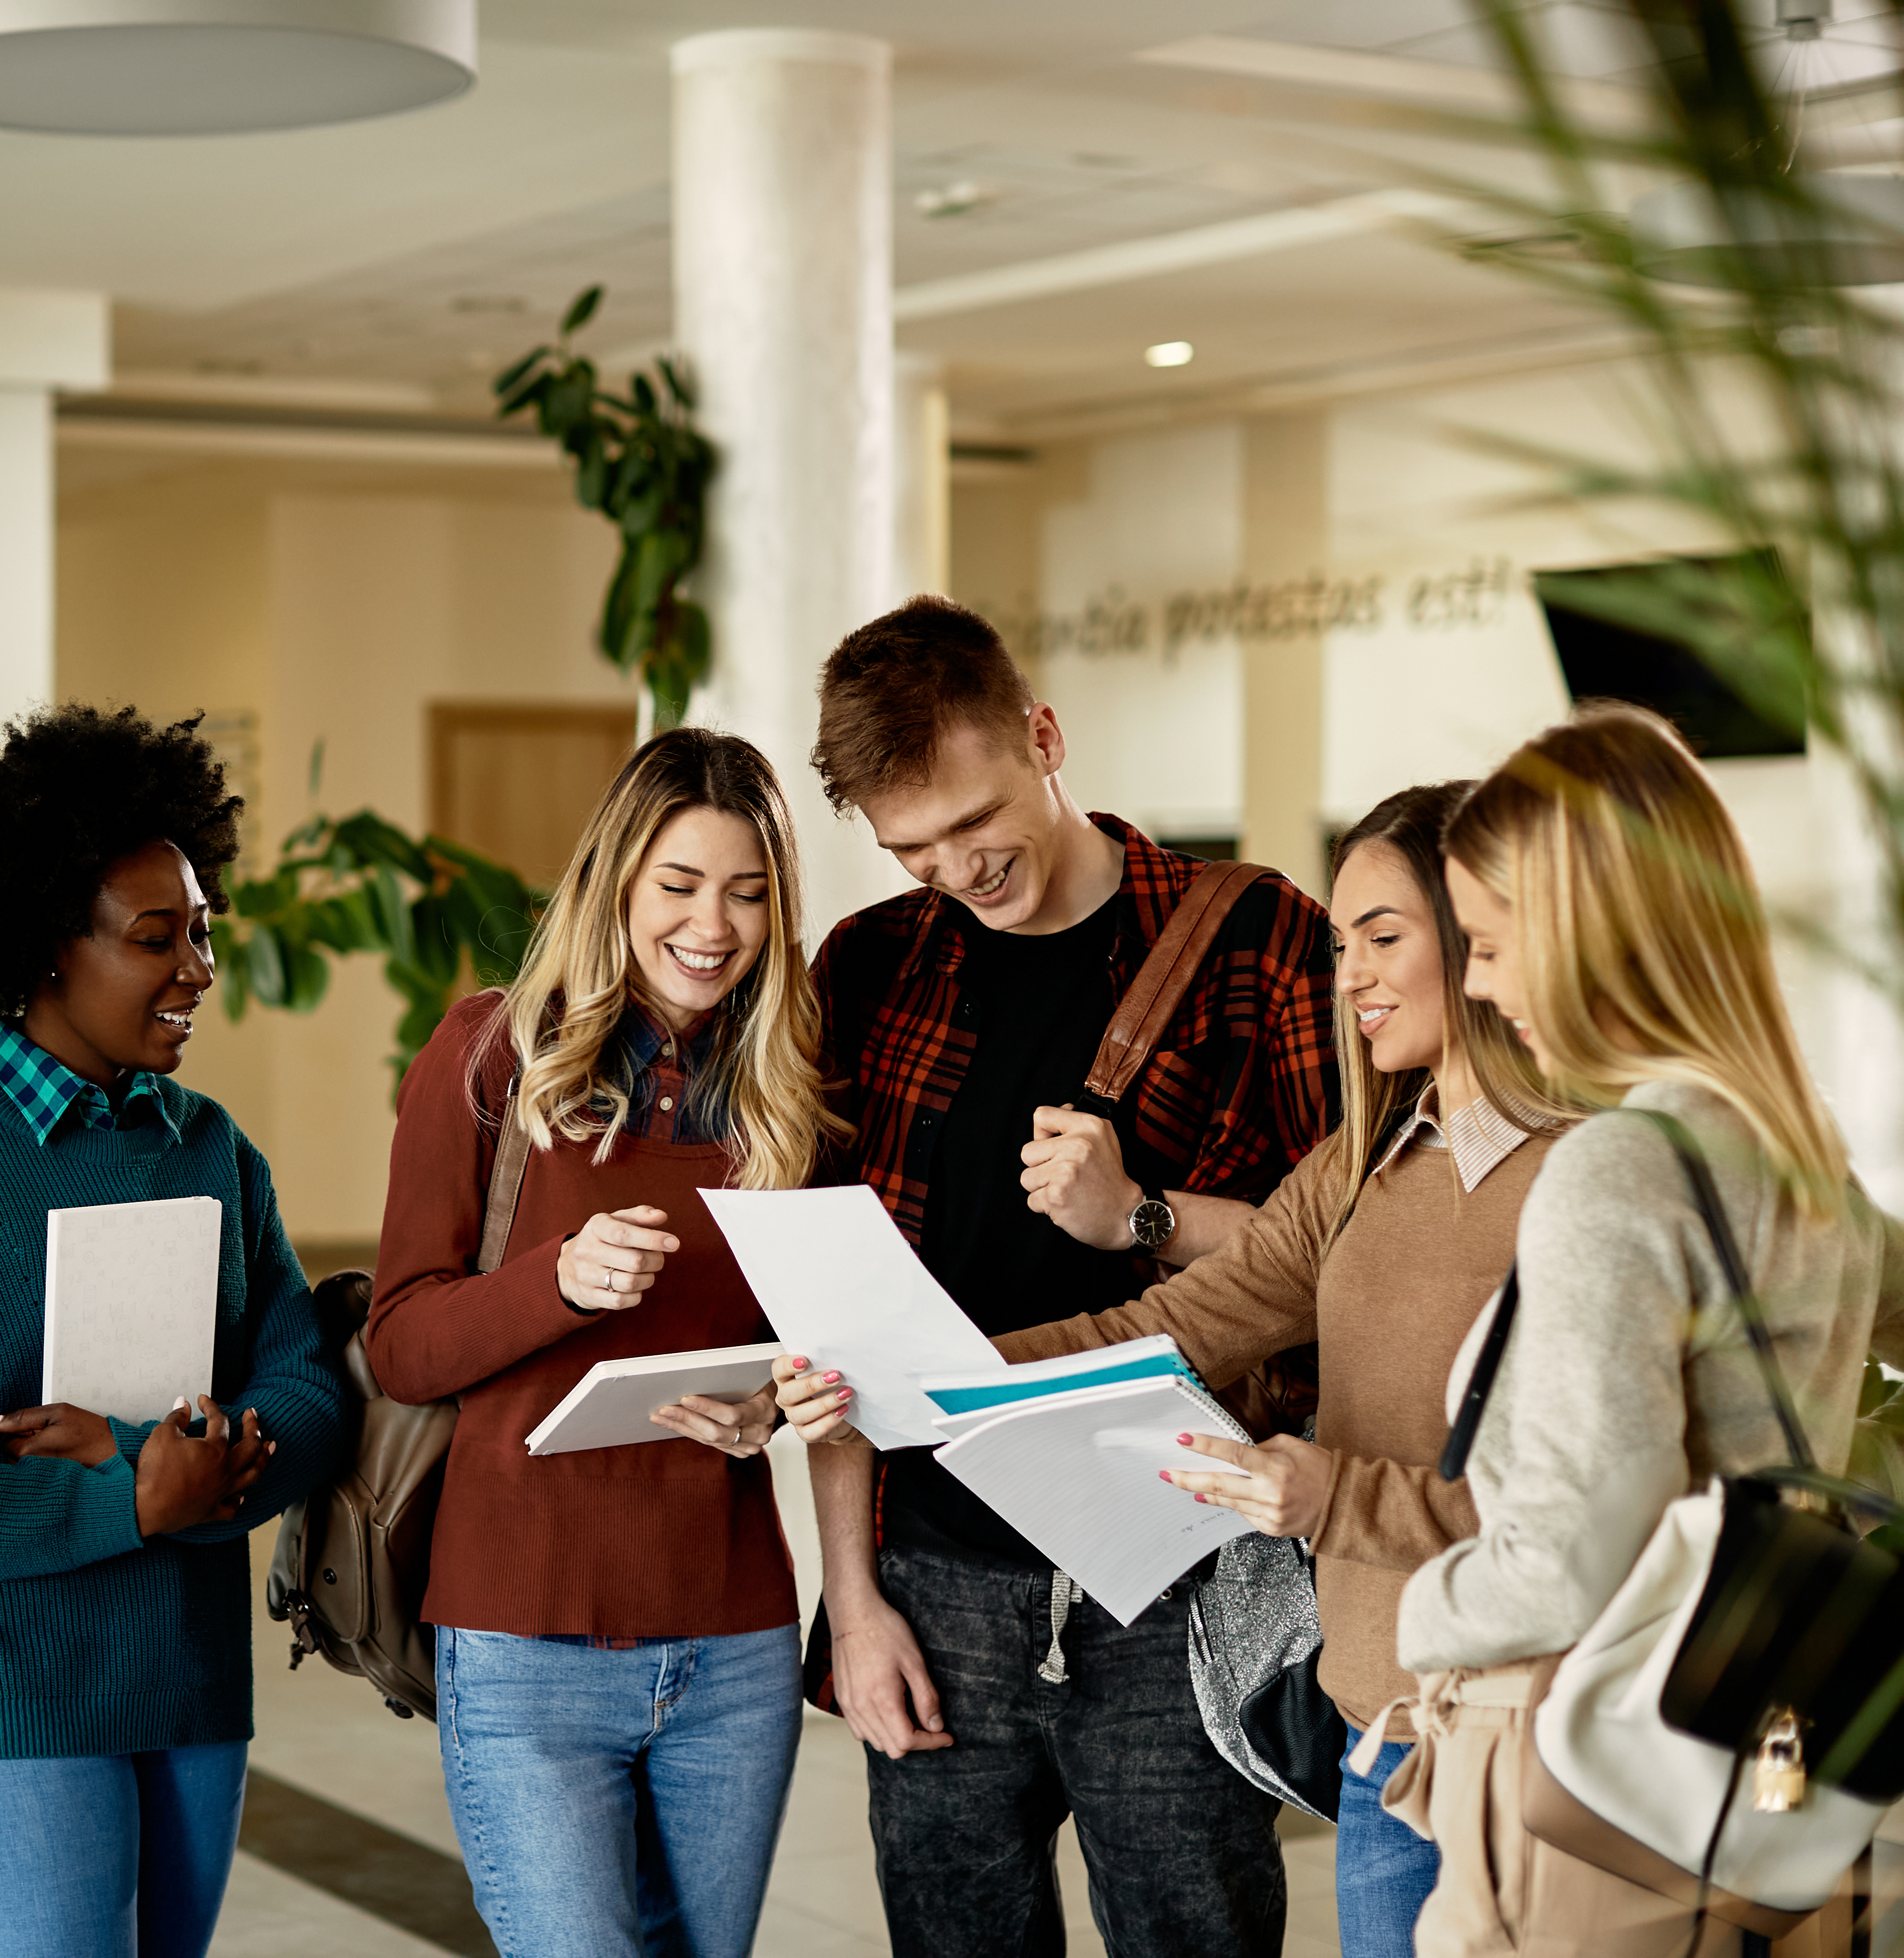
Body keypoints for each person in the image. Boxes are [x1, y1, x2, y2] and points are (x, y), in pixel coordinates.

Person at [787, 780, 1577, 1958]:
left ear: (1486, 934)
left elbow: (1591, 1505)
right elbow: (1172, 1325)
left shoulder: (1595, 1174)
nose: (1349, 973)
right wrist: (900, 1384)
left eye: (1384, 938)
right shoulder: (1364, 1164)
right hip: (1385, 1730)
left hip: (1542, 1732)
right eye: (1345, 942)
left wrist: (1325, 1493)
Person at [784, 595, 1341, 1958]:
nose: (956, 869)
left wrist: (1143, 1217)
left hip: (1176, 1566)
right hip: (935, 1575)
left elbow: (1349, 1251)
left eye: (976, 823)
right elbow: (837, 1315)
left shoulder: (1262, 941)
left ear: (1043, 736)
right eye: (912, 848)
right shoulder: (869, 967)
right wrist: (853, 1603)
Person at [0, 703, 356, 1958]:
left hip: (191, 1683)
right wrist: (132, 1500)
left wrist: (212, 1450)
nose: (198, 972)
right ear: (47, 945)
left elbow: (305, 1382)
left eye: (204, 934)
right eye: (156, 939)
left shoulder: (213, 1149)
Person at [1390, 704, 1904, 1956]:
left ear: (1595, 939)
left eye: (1497, 942)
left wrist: (1420, 1612)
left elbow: (1571, 1558)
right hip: (1782, 1750)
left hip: (1599, 1769)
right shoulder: (1804, 1160)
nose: (1477, 983)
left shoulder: (1620, 1170)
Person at [366, 727, 845, 1958]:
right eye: (679, 887)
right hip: (524, 1640)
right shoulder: (489, 1056)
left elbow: (821, 1334)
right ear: (615, 884)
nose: (714, 926)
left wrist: (775, 1407)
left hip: (735, 1638)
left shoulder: (786, 1081)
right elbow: (404, 1346)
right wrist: (558, 1285)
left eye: (748, 893)